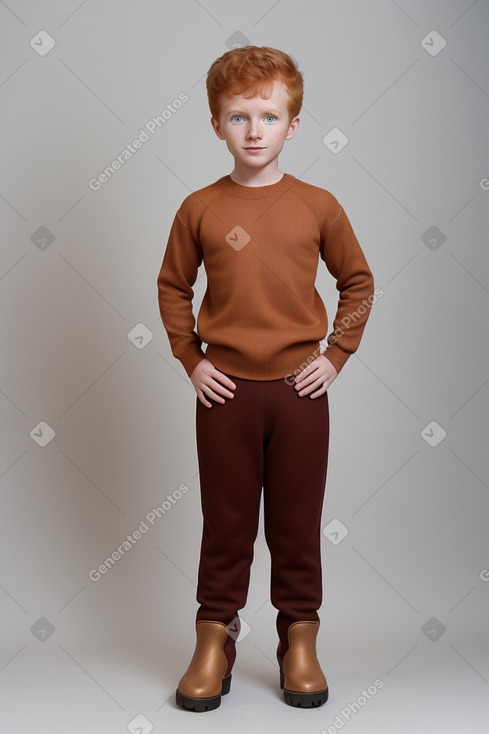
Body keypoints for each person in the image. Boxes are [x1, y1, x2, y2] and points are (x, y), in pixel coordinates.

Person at [157, 45, 375, 712]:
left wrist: (333, 357)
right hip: (224, 398)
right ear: (216, 125)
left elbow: (357, 283)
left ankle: (297, 638)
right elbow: (172, 286)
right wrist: (191, 359)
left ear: (293, 125)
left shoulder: (318, 206)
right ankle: (214, 636)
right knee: (224, 524)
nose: (254, 131)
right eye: (238, 117)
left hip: (296, 396)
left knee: (294, 524)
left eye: (269, 117)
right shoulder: (199, 208)